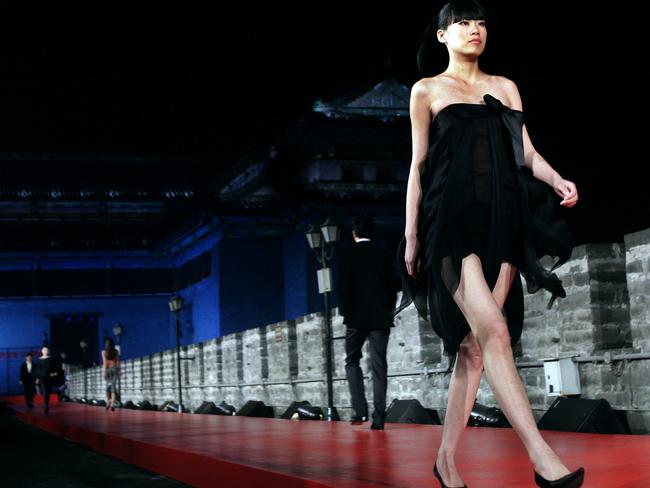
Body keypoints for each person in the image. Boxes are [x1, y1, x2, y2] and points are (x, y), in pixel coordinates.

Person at [396, 1, 583, 487]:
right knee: (494, 333)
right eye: (462, 22)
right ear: (442, 36)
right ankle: (542, 458)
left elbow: (526, 153)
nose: (474, 30)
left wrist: (558, 178)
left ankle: (446, 462)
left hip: (504, 221)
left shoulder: (504, 88)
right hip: (451, 221)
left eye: (479, 22)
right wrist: (412, 235)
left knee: (472, 350)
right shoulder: (428, 90)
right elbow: (417, 168)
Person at [338, 216, 399, 430]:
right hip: (380, 317)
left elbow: (342, 286)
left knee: (351, 360)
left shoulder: (347, 254)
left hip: (355, 317)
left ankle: (359, 411)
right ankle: (379, 417)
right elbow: (392, 286)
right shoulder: (383, 254)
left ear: (354, 234)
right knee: (379, 366)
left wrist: (345, 310)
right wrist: (389, 309)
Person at [35, 347, 60, 415]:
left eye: (46, 350)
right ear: (42, 351)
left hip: (49, 378)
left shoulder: (51, 359)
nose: (45, 351)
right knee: (45, 391)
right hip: (42, 378)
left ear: (48, 351)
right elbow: (38, 370)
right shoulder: (39, 360)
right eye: (44, 350)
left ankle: (47, 403)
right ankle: (46, 405)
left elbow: (56, 367)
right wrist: (37, 379)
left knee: (48, 392)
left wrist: (55, 373)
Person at [102, 338, 120, 411]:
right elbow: (117, 361)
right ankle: (112, 404)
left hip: (108, 370)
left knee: (107, 388)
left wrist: (104, 372)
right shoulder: (116, 351)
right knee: (113, 388)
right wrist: (119, 371)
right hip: (115, 369)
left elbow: (105, 362)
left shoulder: (104, 352)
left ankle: (107, 403)